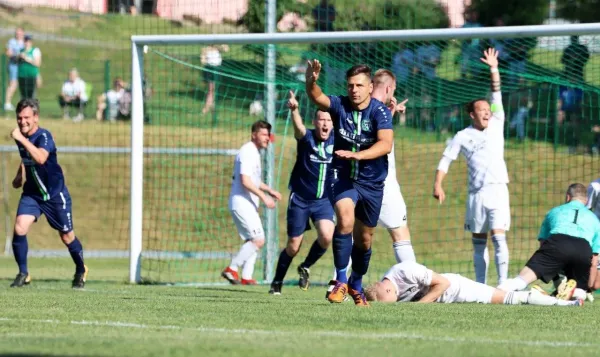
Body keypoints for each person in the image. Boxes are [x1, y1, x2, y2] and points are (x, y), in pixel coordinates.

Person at [305, 60, 394, 306]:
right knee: (344, 219)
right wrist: (311, 79)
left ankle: (356, 283)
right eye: (350, 85)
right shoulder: (339, 105)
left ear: (370, 87)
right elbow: (317, 96)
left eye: (358, 85)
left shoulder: (380, 112)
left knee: (365, 239)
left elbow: (385, 144)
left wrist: (359, 155)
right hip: (343, 175)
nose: (353, 90)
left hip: (372, 183)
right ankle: (341, 281)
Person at [433, 48, 510, 286]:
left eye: (488, 110)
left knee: (498, 238)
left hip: (497, 190)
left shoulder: (497, 123)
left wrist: (494, 69)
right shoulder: (462, 136)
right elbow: (446, 159)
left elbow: (496, 93)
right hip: (476, 194)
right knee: (479, 241)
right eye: (482, 110)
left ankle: (503, 285)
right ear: (472, 115)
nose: (487, 113)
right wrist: (438, 183)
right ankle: (480, 285)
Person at [9, 99, 88, 288]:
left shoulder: (44, 136)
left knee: (67, 236)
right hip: (33, 194)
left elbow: (40, 157)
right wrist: (19, 176)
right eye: (19, 118)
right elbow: (26, 159)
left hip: (54, 194)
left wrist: (20, 139)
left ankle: (80, 269)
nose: (22, 122)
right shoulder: (22, 136)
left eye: (26, 117)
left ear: (36, 117)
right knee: (20, 227)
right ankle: (23, 273)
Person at [269, 91, 335, 295]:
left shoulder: (338, 139)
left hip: (323, 200)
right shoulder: (307, 138)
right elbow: (298, 128)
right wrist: (295, 110)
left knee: (326, 236)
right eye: (321, 119)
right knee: (293, 245)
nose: (325, 123)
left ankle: (305, 266)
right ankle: (276, 283)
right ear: (314, 122)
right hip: (300, 199)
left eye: (328, 120)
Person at [498, 183, 600, 300]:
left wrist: (554, 273)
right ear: (586, 201)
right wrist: (588, 287)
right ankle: (579, 293)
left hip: (558, 242)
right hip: (583, 249)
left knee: (522, 279)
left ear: (567, 197)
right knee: (579, 290)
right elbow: (594, 261)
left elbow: (543, 245)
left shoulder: (553, 212)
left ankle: (500, 290)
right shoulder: (595, 220)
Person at [364, 261, 582, 306]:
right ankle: (537, 292)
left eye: (392, 299)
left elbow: (444, 283)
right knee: (501, 293)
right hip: (451, 297)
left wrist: (420, 306)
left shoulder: (405, 271)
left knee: (509, 300)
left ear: (388, 287)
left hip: (458, 288)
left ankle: (568, 303)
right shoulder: (385, 292)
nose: (396, 303)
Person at [222, 120, 282, 285]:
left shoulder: (254, 152)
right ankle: (232, 268)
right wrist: (264, 197)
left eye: (268, 135)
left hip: (246, 203)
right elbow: (245, 181)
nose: (267, 138)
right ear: (253, 134)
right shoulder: (248, 151)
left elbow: (254, 180)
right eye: (263, 134)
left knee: (253, 240)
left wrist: (270, 190)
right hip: (242, 203)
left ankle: (246, 277)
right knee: (258, 239)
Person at [4, 27, 25, 111]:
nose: (18, 34)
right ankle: (7, 103)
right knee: (13, 84)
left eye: (20, 33)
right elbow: (8, 52)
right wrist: (17, 55)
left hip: (23, 66)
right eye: (17, 33)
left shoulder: (25, 42)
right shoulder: (12, 41)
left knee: (21, 85)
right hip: (14, 65)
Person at [17, 35, 41, 100]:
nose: (26, 43)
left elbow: (37, 63)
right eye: (25, 41)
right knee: (23, 96)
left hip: (31, 76)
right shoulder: (21, 51)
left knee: (31, 96)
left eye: (28, 41)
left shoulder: (35, 50)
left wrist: (26, 58)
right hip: (22, 75)